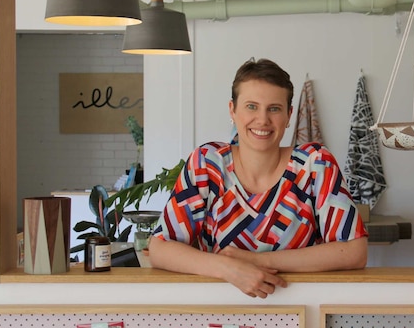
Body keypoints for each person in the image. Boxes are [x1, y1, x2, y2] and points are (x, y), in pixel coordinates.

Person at [149, 58, 368, 297]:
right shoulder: (207, 164)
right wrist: (229, 268)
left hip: (302, 310)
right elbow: (160, 248)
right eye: (251, 106)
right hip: (218, 314)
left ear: (288, 115)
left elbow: (354, 252)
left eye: (274, 108)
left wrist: (257, 260)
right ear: (233, 110)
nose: (263, 120)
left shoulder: (315, 164)